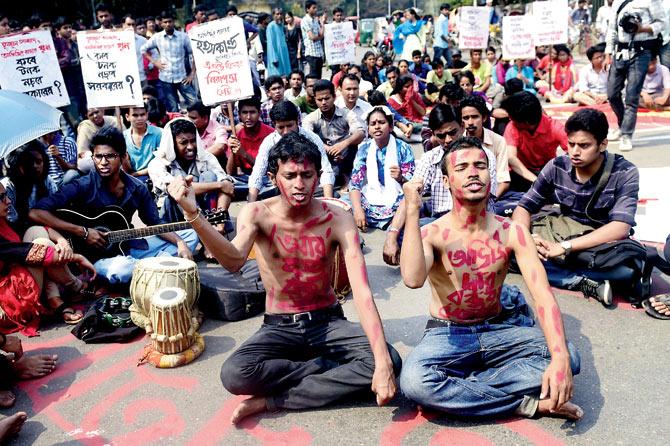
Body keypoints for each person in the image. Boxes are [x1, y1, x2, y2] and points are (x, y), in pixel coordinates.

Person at [166, 131, 401, 424]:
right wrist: (193, 215)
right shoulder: (256, 214)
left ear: (318, 177)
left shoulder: (337, 217)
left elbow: (363, 292)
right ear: (273, 176)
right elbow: (232, 261)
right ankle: (325, 367)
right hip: (279, 326)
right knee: (235, 374)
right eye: (290, 175)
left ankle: (275, 400)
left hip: (327, 322)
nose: (299, 184)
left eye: (307, 174)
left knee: (389, 360)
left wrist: (381, 363)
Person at [398, 136, 582, 422]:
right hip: (447, 335)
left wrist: (559, 361)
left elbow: (542, 294)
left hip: (498, 329)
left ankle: (464, 389)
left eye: (480, 165)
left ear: (490, 175)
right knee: (414, 382)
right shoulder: (431, 233)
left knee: (569, 356)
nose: (473, 172)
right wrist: (411, 211)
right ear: (446, 182)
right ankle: (523, 404)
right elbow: (412, 279)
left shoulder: (512, 231)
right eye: (462, 168)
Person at [30, 127, 198, 285]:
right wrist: (82, 231)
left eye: (110, 156)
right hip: (92, 258)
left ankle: (146, 268)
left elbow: (154, 222)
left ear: (123, 157)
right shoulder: (82, 185)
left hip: (125, 247)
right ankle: (155, 266)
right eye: (98, 157)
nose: (103, 162)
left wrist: (180, 243)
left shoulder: (137, 187)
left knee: (190, 235)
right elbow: (35, 212)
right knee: (122, 269)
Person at [512, 108, 639, 305]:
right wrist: (527, 238)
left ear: (603, 144)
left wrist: (563, 248)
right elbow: (524, 207)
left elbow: (620, 227)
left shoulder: (625, 172)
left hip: (598, 241)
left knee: (625, 269)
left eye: (584, 145)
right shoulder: (556, 166)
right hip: (560, 230)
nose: (574, 152)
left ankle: (567, 271)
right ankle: (582, 282)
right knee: (510, 245)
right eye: (571, 144)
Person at [382, 105, 497, 266]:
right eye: (441, 136)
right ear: (433, 135)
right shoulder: (430, 158)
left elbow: (484, 201)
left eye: (452, 132)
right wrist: (391, 237)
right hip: (442, 222)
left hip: (478, 223)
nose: (448, 140)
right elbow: (411, 197)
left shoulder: (484, 156)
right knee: (403, 231)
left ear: (462, 127)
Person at [148, 119, 233, 229]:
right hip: (174, 216)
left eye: (193, 141)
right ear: (172, 144)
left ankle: (215, 224)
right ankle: (206, 229)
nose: (190, 147)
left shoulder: (206, 157)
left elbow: (228, 186)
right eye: (183, 143)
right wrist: (219, 185)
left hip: (207, 214)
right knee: (178, 193)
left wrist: (221, 218)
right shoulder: (157, 164)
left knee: (209, 176)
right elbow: (179, 190)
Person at [605, 0, 666, 151]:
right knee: (612, 94)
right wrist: (608, 51)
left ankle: (626, 134)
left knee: (632, 96)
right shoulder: (617, 2)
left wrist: (643, 29)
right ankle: (621, 124)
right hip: (620, 52)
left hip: (641, 52)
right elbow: (612, 28)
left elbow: (661, 23)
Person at [248, 100, 334, 202]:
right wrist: (251, 204)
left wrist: (329, 201)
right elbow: (258, 172)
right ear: (274, 125)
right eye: (281, 127)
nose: (286, 131)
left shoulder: (312, 138)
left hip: (307, 186)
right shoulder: (269, 142)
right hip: (281, 189)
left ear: (297, 121)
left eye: (289, 125)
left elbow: (326, 169)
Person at [349, 107, 415, 231]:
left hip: (397, 196)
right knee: (344, 204)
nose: (377, 127)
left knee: (410, 202)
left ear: (390, 127)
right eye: (373, 124)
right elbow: (355, 183)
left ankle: (393, 223)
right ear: (368, 129)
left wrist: (401, 177)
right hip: (372, 193)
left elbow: (411, 184)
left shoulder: (403, 148)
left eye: (381, 122)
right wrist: (358, 210)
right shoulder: (364, 149)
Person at [302, 80, 365, 185]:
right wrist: (328, 150)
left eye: (327, 98)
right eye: (320, 99)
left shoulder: (346, 114)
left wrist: (343, 145)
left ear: (334, 97)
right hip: (323, 157)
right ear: (315, 100)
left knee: (353, 143)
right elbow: (307, 138)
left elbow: (361, 132)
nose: (323, 102)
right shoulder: (310, 119)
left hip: (345, 157)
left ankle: (346, 178)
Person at [502, 92, 567, 192]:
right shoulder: (512, 127)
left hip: (548, 172)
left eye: (512, 117)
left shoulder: (554, 127)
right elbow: (511, 158)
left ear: (526, 122)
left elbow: (574, 149)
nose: (510, 119)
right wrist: (537, 181)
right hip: (522, 173)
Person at [141, 11, 197, 113]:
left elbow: (194, 53)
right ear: (161, 23)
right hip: (165, 78)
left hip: (182, 78)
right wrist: (155, 62)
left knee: (195, 102)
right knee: (173, 108)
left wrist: (192, 74)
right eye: (165, 22)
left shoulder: (183, 36)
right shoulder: (157, 37)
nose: (168, 24)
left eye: (170, 21)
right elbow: (143, 50)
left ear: (173, 22)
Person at [1, 142, 58, 234]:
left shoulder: (47, 181)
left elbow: (57, 208)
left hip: (49, 228)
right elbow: (12, 222)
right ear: (19, 166)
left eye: (38, 161)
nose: (35, 166)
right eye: (29, 162)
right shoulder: (8, 187)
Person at [460, 95, 510, 197]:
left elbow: (503, 181)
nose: (470, 122)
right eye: (466, 118)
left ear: (484, 118)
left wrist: (488, 201)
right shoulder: (457, 141)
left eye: (475, 117)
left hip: (491, 195)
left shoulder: (498, 141)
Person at [225, 97, 275, 194]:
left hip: (266, 178)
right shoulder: (237, 135)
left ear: (259, 113)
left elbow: (266, 170)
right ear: (239, 115)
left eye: (252, 112)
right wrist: (232, 151)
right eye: (244, 113)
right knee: (227, 184)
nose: (248, 117)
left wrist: (244, 154)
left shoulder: (271, 134)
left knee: (274, 185)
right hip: (245, 178)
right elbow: (229, 172)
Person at [53, 17, 86, 129]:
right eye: (65, 28)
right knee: (75, 123)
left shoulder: (75, 45)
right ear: (58, 30)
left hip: (80, 87)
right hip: (67, 88)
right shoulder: (56, 46)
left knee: (84, 117)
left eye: (69, 27)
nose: (68, 30)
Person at [76, 108, 123, 172]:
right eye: (91, 114)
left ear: (103, 111)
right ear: (87, 116)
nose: (95, 116)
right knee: (82, 164)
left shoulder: (114, 120)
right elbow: (82, 153)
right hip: (97, 157)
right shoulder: (85, 126)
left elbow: (125, 140)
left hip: (115, 154)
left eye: (96, 112)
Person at [123, 105, 162, 179]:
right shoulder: (122, 137)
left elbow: (162, 162)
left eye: (142, 115)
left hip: (156, 176)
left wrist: (136, 174)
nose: (139, 118)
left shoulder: (159, 133)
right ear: (127, 117)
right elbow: (126, 170)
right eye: (135, 115)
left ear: (147, 115)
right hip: (131, 178)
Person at [301, 1, 326, 78]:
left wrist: (322, 23)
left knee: (319, 76)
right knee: (313, 77)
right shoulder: (305, 20)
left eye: (316, 7)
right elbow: (312, 38)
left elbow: (321, 34)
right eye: (313, 8)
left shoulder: (315, 20)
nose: (316, 9)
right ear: (307, 9)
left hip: (319, 53)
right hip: (311, 53)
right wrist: (319, 37)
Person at [266, 9, 291, 77]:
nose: (279, 16)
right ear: (273, 15)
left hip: (284, 54)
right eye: (277, 14)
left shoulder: (281, 26)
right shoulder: (271, 26)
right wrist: (274, 58)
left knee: (286, 76)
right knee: (277, 77)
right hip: (276, 57)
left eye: (281, 14)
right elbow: (270, 44)